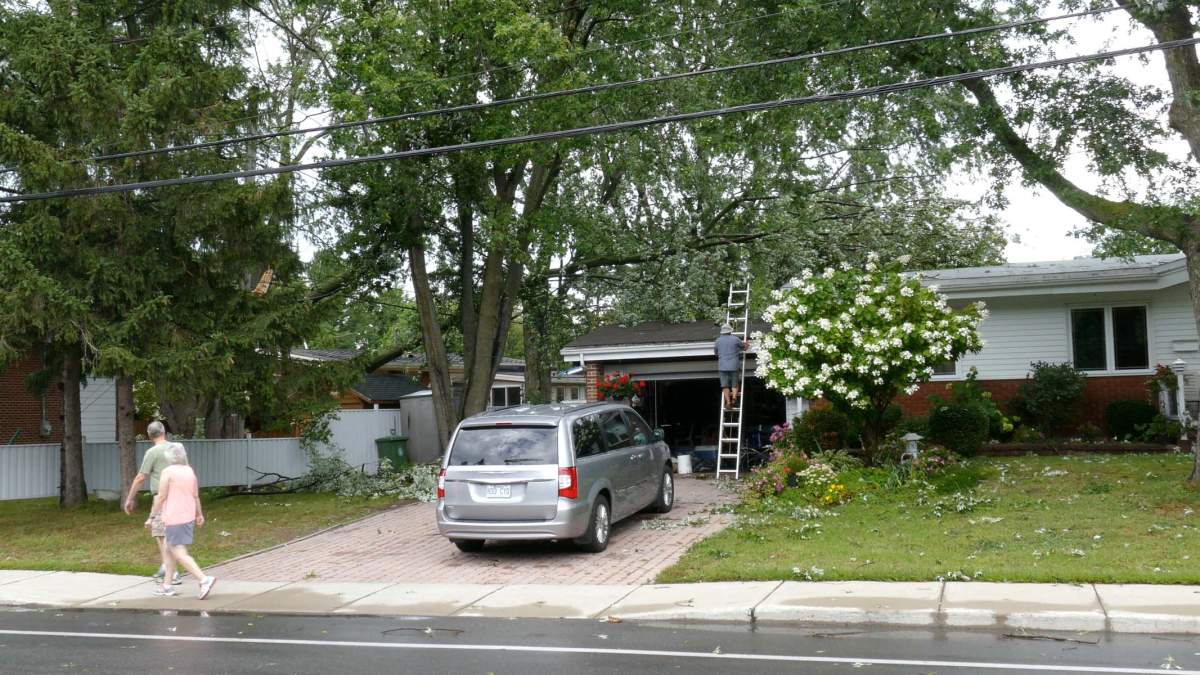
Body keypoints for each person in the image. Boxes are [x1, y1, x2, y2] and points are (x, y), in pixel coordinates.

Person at [147, 443, 216, 599]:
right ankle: (167, 586)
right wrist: (199, 514)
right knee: (168, 549)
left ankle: (204, 579)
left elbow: (161, 496)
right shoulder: (189, 471)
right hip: (187, 516)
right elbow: (195, 496)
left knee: (178, 551)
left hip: (174, 517)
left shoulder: (167, 472)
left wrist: (151, 516)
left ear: (168, 457)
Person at [122, 421, 181, 585]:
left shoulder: (152, 452)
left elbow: (141, 477)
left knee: (162, 535)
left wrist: (129, 498)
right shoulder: (176, 449)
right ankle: (166, 567)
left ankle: (172, 572)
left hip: (161, 498)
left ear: (149, 435)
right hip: (179, 496)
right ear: (164, 431)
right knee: (170, 535)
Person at [714, 323, 747, 410]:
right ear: (730, 331)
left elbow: (716, 353)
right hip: (734, 365)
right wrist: (746, 344)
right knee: (734, 383)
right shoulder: (735, 339)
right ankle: (734, 398)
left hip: (722, 366)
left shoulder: (718, 341)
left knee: (725, 385)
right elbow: (744, 347)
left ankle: (728, 402)